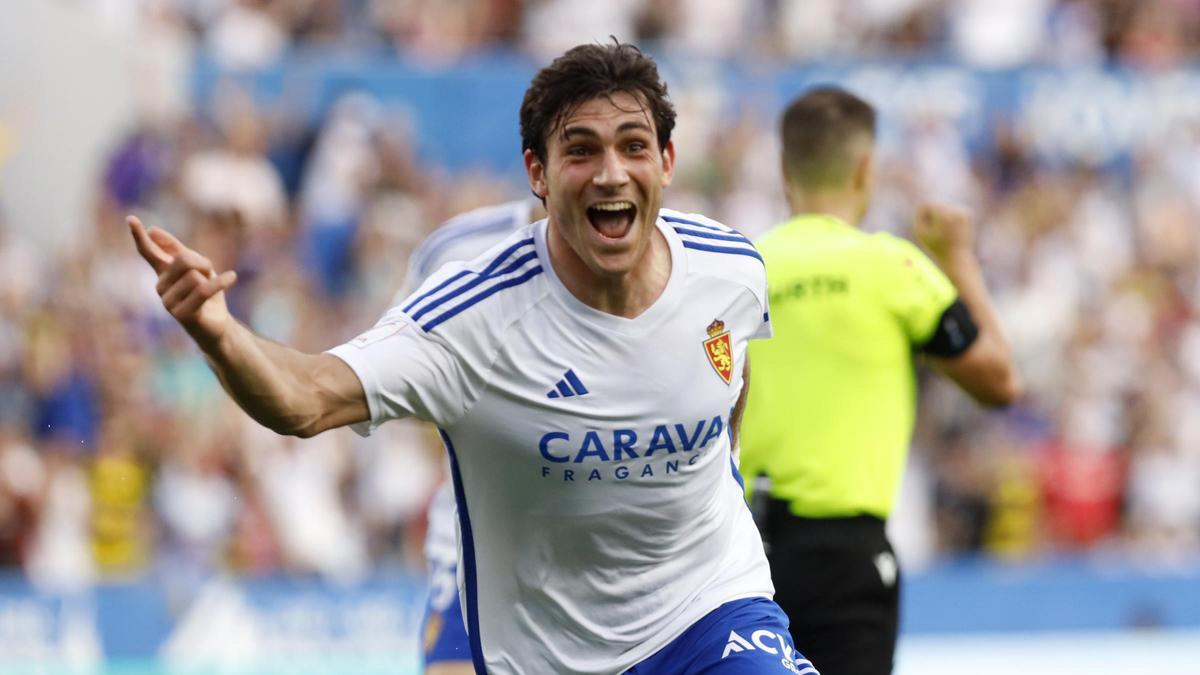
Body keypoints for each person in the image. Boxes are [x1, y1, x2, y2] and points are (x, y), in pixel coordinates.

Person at [129, 42, 818, 675]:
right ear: (537, 173)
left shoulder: (731, 270)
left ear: (666, 163)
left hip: (710, 610)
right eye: (581, 151)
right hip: (549, 652)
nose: (611, 173)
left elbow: (729, 377)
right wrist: (217, 331)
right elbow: (307, 397)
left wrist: (717, 474)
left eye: (633, 146)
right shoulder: (470, 316)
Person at [738, 86, 1022, 675]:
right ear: (866, 167)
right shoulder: (894, 267)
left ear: (785, 169)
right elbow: (999, 381)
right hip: (847, 554)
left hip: (742, 553)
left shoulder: (742, 267)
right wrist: (959, 256)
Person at [403, 199, 544, 674]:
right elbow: (398, 371)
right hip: (472, 542)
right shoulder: (457, 249)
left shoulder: (643, 250)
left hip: (592, 547)